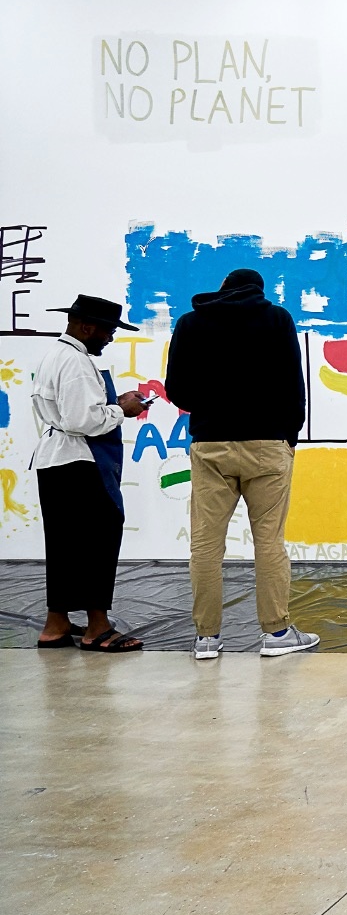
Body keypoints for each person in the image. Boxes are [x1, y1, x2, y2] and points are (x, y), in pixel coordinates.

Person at [165, 269, 320, 659]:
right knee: (269, 541)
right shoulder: (277, 319)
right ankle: (277, 635)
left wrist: (212, 400)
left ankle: (206, 638)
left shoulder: (190, 323)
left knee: (205, 543)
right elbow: (293, 385)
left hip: (210, 444)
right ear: (259, 291)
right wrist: (289, 436)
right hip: (268, 444)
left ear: (223, 290)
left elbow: (177, 390)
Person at [30, 295, 151, 652]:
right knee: (97, 542)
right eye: (108, 330)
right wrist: (122, 409)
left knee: (65, 545)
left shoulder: (56, 356)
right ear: (86, 327)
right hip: (80, 462)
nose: (110, 336)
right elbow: (83, 421)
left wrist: (114, 405)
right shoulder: (77, 363)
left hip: (54, 461)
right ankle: (98, 627)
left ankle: (56, 624)